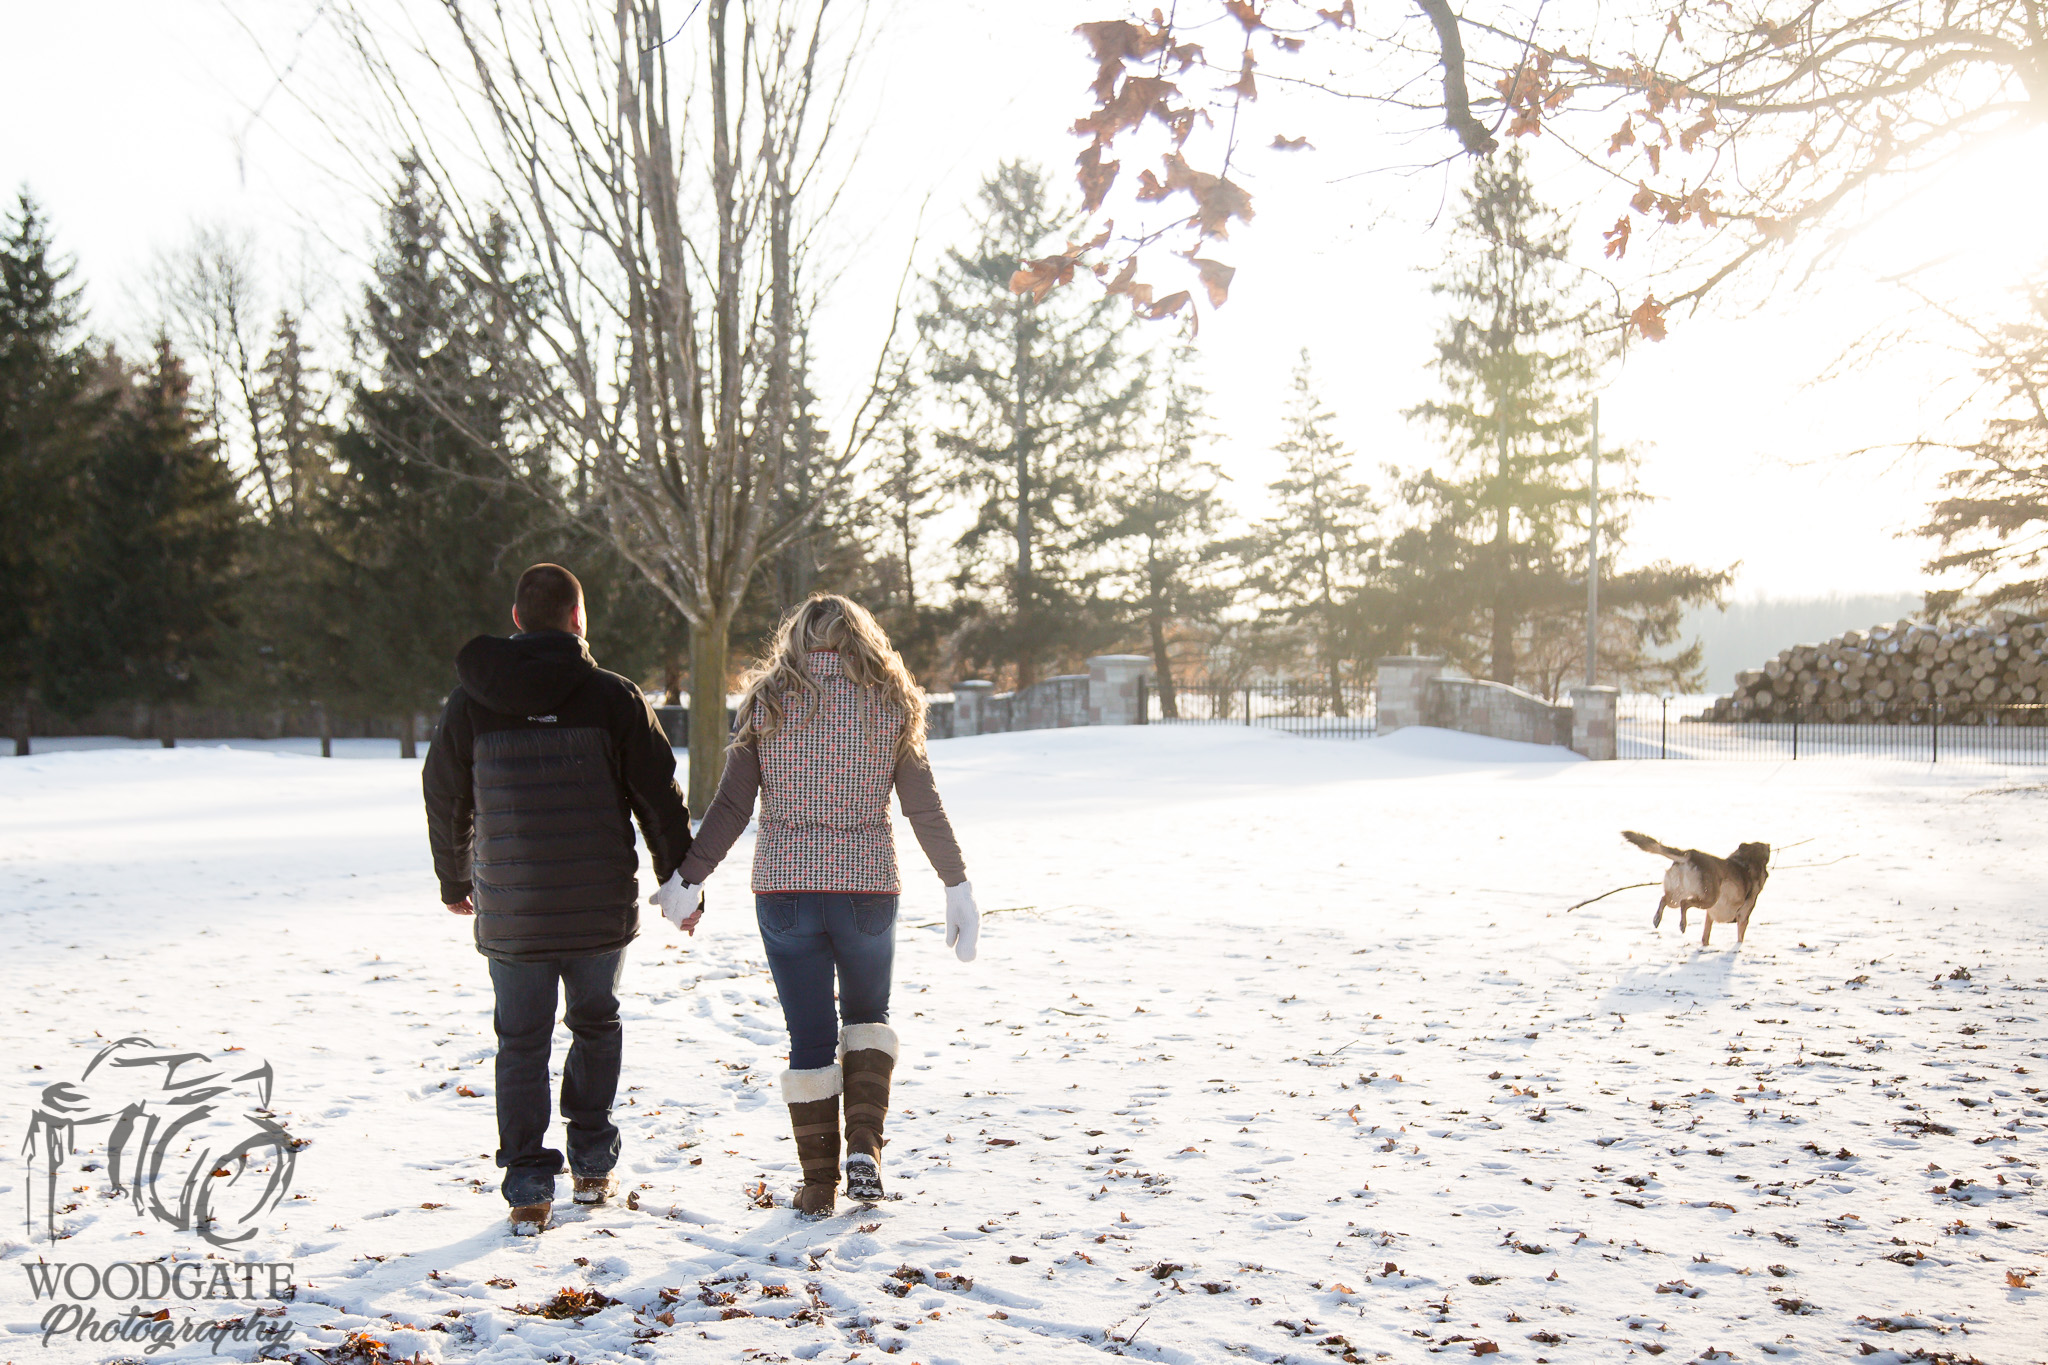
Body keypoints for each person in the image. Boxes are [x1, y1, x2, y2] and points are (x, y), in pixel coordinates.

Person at [658, 594, 977, 1217]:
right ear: (861, 637)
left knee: (808, 1036)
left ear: (798, 637)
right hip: (867, 889)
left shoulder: (767, 703)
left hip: (784, 891)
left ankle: (817, 1182)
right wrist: (956, 883)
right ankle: (865, 1144)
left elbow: (731, 807)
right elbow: (923, 806)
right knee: (867, 1018)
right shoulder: (892, 702)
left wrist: (688, 879)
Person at [423, 563, 696, 1235]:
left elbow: (444, 793)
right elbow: (658, 798)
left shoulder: (471, 702)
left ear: (517, 619)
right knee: (595, 1025)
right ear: (579, 620)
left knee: (520, 1040)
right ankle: (593, 1159)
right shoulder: (614, 697)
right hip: (598, 909)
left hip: (513, 909)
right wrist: (679, 881)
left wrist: (455, 878)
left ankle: (527, 1182)